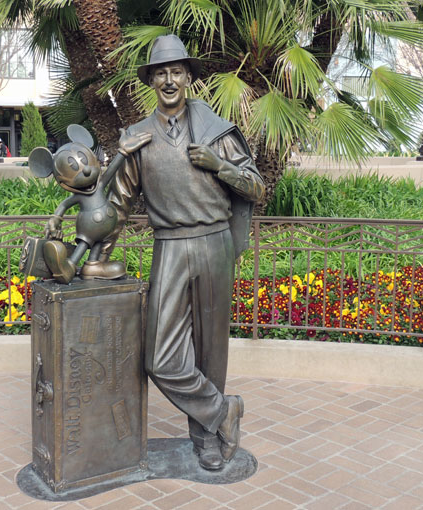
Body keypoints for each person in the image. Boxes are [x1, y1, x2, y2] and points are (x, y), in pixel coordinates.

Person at [92, 35, 265, 471]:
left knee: (211, 349)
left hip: (214, 243)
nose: (169, 80)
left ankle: (207, 437)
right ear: (151, 81)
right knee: (159, 358)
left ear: (188, 77)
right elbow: (117, 206)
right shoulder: (137, 138)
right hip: (169, 246)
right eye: (160, 73)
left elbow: (257, 188)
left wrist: (218, 164)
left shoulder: (215, 132)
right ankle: (222, 410)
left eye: (176, 72)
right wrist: (83, 239)